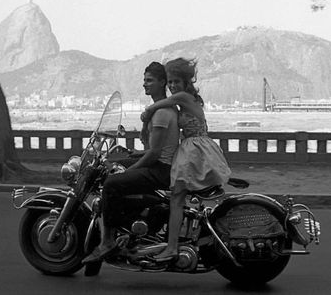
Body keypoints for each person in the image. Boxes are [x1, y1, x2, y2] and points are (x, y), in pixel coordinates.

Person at [83, 62, 179, 263]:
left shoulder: (161, 112)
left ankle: (107, 242)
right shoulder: (162, 108)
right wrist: (134, 156)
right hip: (160, 164)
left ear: (162, 82)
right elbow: (155, 149)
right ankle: (126, 230)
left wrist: (132, 168)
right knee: (112, 166)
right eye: (144, 80)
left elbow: (155, 154)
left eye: (150, 80)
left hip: (161, 169)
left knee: (111, 183)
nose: (145, 84)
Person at [141, 57, 231, 262]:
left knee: (177, 198)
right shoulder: (190, 99)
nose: (172, 86)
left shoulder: (182, 97)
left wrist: (147, 114)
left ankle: (172, 247)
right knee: (178, 197)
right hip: (195, 147)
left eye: (175, 82)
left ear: (185, 83)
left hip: (194, 149)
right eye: (170, 82)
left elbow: (158, 105)